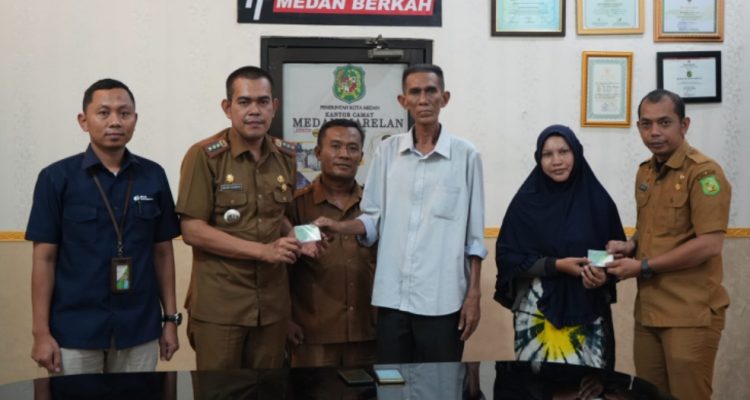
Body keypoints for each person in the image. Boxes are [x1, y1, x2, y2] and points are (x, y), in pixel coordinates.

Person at [315, 64, 486, 363]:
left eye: (431, 91)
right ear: (403, 100)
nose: (423, 100)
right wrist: (338, 227)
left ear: (445, 98)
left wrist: (474, 295)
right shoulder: (387, 152)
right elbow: (372, 219)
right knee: (392, 382)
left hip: (443, 301)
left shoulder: (466, 156)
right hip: (392, 300)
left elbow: (474, 239)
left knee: (438, 384)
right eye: (415, 92)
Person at [26, 78, 181, 375]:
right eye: (103, 113)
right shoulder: (56, 178)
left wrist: (170, 321)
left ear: (135, 119)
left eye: (124, 113)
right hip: (75, 330)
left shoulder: (153, 175)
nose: (115, 121)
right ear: (83, 121)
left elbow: (163, 253)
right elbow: (44, 259)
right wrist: (40, 333)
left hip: (139, 327)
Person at [176, 66, 307, 370]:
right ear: (227, 107)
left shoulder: (285, 156)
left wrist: (303, 238)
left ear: (274, 106)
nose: (254, 111)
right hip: (222, 306)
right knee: (220, 390)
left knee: (268, 388)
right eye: (244, 102)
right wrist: (263, 251)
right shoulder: (204, 156)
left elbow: (280, 217)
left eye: (263, 102)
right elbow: (192, 230)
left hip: (273, 307)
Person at [606, 90, 731, 400]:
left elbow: (709, 244)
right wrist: (630, 246)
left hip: (690, 314)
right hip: (649, 312)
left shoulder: (704, 173)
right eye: (646, 124)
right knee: (648, 395)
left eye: (664, 122)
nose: (654, 132)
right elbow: (653, 230)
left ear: (683, 124)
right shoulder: (646, 171)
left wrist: (642, 266)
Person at [494, 125, 625, 369]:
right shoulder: (525, 202)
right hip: (537, 315)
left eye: (564, 151)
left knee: (589, 383)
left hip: (588, 309)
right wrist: (556, 265)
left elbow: (612, 252)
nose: (556, 161)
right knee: (538, 385)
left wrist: (601, 274)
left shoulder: (597, 200)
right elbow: (508, 257)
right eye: (547, 154)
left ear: (576, 153)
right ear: (539, 158)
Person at [286, 118, 377, 368]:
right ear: (318, 153)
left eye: (352, 148)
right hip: (312, 335)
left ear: (361, 157)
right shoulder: (296, 205)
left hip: (367, 333)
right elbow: (281, 269)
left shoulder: (374, 206)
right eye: (335, 146)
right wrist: (285, 319)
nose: (344, 154)